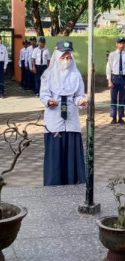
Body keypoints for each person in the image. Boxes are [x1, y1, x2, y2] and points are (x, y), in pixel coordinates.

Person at [39, 40, 87, 186]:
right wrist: (49, 101)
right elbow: (44, 95)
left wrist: (81, 101)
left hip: (71, 118)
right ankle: (54, 183)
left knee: (71, 149)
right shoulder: (47, 74)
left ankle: (73, 182)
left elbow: (79, 94)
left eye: (68, 57)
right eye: (63, 57)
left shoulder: (76, 74)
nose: (66, 61)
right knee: (55, 151)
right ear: (57, 56)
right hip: (54, 117)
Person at [106, 36, 125, 124]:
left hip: (123, 79)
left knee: (122, 98)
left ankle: (121, 117)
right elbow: (109, 68)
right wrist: (109, 80)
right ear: (116, 44)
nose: (122, 45)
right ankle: (113, 117)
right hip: (114, 78)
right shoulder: (112, 55)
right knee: (113, 98)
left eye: (123, 43)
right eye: (120, 43)